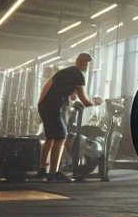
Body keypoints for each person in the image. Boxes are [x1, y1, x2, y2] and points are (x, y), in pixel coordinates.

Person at [37, 52, 101, 182]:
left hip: (45, 105)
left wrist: (40, 103)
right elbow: (84, 99)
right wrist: (96, 103)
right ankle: (54, 173)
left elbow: (53, 87)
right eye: (85, 62)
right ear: (79, 62)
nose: (86, 65)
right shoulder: (78, 75)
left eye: (87, 63)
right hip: (53, 107)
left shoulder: (66, 72)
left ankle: (42, 169)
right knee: (61, 137)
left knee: (50, 138)